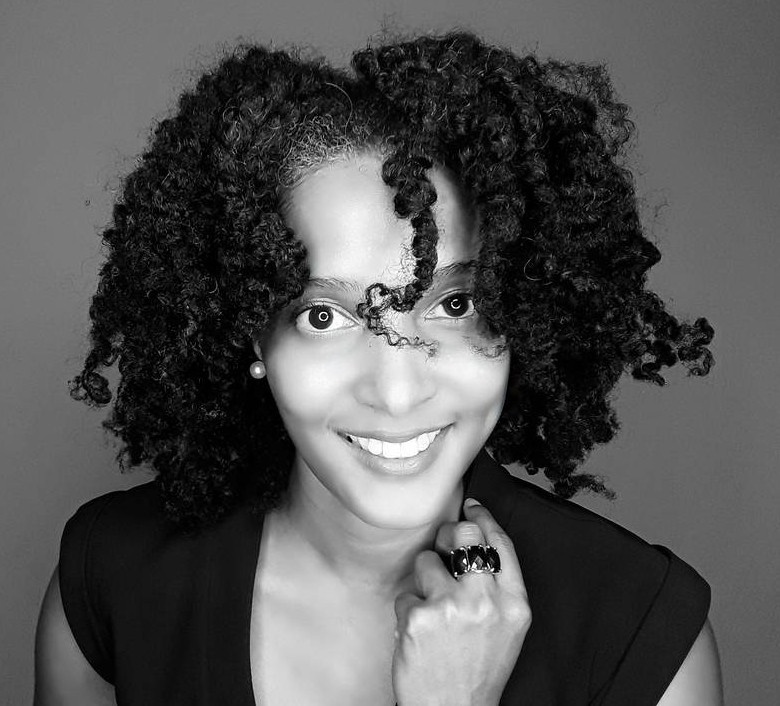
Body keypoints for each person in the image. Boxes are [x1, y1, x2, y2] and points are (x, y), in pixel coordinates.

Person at [34, 31, 723, 705]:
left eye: (454, 303)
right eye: (323, 316)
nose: (396, 392)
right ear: (249, 332)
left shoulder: (638, 635)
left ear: (523, 307)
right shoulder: (111, 577)